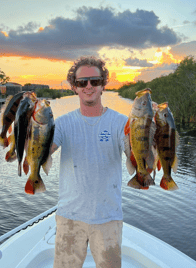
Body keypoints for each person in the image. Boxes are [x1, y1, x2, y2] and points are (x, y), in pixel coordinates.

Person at [51, 56, 128, 268]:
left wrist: (152, 127)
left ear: (103, 84)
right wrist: (25, 127)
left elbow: (136, 157)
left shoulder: (121, 122)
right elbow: (43, 152)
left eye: (94, 81)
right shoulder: (62, 124)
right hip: (69, 218)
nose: (88, 86)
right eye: (81, 82)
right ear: (74, 87)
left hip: (108, 218)